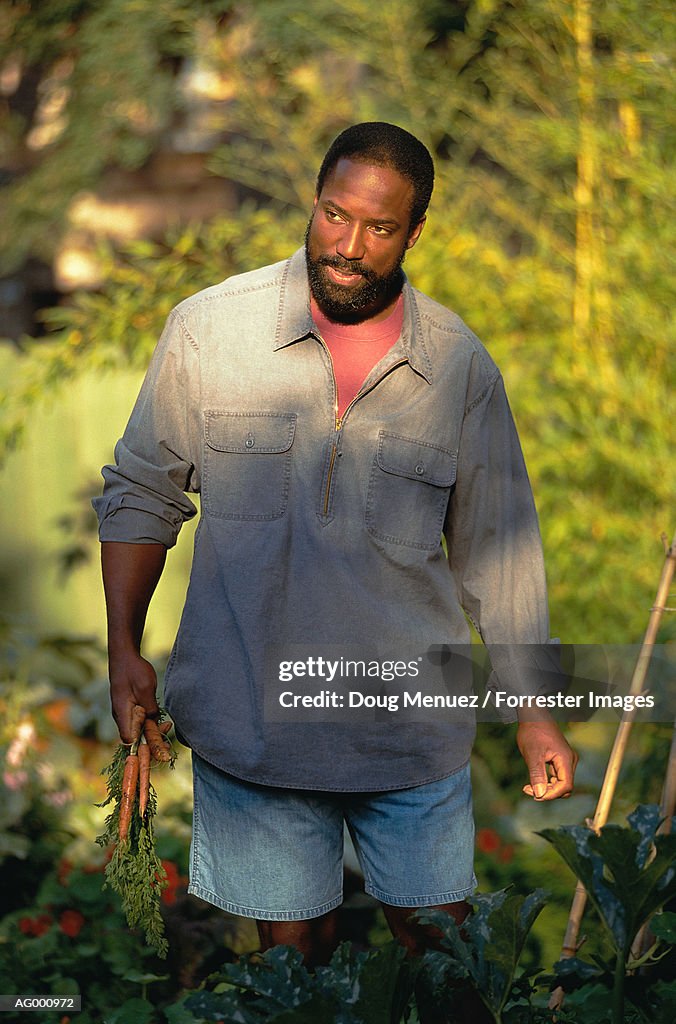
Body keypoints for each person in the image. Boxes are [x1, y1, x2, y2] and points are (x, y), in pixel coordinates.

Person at [94, 122, 577, 971]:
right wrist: (123, 648)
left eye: (379, 227)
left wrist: (535, 708)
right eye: (333, 215)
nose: (348, 247)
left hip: (407, 730)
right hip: (254, 725)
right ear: (312, 201)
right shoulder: (209, 332)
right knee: (293, 967)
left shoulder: (460, 368)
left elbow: (499, 551)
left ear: (414, 233)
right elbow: (142, 492)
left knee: (444, 957)